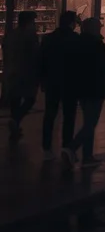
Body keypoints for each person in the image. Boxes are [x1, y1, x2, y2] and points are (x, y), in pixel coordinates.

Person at [67, 18, 105, 167]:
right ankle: (73, 148)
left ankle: (87, 156)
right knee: (91, 122)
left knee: (88, 120)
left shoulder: (77, 43)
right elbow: (104, 66)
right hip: (95, 86)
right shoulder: (98, 45)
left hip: (81, 86)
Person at [38, 11, 81, 159]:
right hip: (70, 82)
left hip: (52, 81)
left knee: (50, 114)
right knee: (69, 115)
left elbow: (42, 60)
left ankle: (46, 147)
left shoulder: (49, 38)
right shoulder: (75, 39)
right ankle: (66, 146)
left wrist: (42, 80)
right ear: (72, 23)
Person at [4, 11, 41, 140]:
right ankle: (16, 120)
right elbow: (35, 55)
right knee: (30, 99)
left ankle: (15, 126)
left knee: (15, 100)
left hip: (12, 72)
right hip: (26, 73)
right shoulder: (30, 36)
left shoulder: (12, 34)